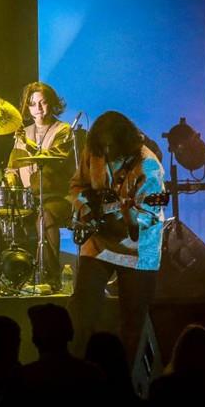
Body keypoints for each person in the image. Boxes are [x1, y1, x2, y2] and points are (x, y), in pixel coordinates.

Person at [67, 111, 165, 360]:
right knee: (82, 311)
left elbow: (149, 216)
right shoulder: (95, 150)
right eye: (102, 148)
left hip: (138, 249)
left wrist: (127, 215)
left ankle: (126, 382)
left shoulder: (149, 165)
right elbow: (77, 185)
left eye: (111, 148)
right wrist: (86, 209)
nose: (106, 153)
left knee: (132, 320)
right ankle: (77, 369)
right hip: (100, 240)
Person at [4, 82, 75, 288]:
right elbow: (12, 167)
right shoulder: (23, 133)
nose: (39, 108)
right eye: (33, 104)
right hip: (29, 197)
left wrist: (27, 145)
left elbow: (54, 157)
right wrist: (9, 180)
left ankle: (49, 277)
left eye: (43, 103)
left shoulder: (63, 130)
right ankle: (11, 275)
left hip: (57, 197)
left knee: (45, 217)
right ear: (28, 108)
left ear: (51, 103)